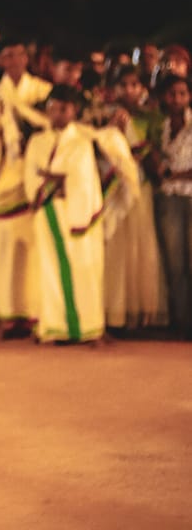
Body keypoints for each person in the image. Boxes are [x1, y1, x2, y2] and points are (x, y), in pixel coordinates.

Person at [22, 83, 137, 345]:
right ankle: (54, 327)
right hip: (49, 212)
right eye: (52, 109)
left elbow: (84, 179)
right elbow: (32, 175)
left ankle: (89, 327)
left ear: (74, 111)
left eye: (63, 109)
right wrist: (56, 181)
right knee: (50, 270)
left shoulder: (83, 141)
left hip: (79, 213)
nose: (57, 114)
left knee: (87, 268)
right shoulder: (38, 141)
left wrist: (58, 179)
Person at [0, 34, 50, 338]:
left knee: (35, 249)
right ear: (0, 59)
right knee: (5, 251)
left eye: (19, 53)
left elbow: (51, 129)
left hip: (37, 176)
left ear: (27, 56)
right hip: (6, 176)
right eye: (6, 55)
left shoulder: (43, 90)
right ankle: (9, 314)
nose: (13, 60)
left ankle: (36, 312)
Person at [101, 64, 165, 333]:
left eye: (134, 85)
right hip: (114, 190)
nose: (129, 90)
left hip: (141, 188)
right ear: (114, 88)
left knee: (141, 247)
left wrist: (133, 135)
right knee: (117, 248)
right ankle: (115, 313)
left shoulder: (151, 118)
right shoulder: (104, 115)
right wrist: (110, 128)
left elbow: (153, 156)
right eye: (123, 85)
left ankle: (142, 313)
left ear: (142, 89)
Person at [152, 74, 192, 338]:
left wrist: (174, 174)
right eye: (171, 93)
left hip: (189, 194)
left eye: (181, 93)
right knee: (174, 260)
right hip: (167, 197)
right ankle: (181, 320)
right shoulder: (159, 126)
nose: (176, 99)